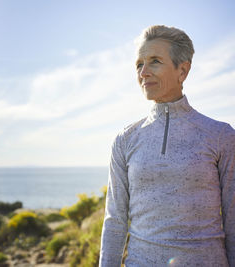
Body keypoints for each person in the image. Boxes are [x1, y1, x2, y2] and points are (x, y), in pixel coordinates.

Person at [99, 25, 235, 266]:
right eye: (139, 64)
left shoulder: (220, 135)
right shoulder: (125, 139)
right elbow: (115, 221)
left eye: (155, 61)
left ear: (182, 70)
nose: (143, 72)